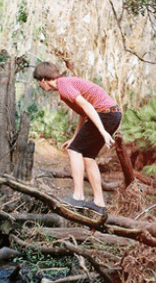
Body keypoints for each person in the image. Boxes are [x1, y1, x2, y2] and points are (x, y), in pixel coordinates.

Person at [33, 62, 122, 214]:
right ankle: (99, 203)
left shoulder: (64, 85)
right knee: (88, 157)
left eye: (38, 83)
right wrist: (74, 138)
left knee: (74, 151)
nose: (40, 86)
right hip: (112, 114)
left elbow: (87, 107)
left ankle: (78, 196)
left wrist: (102, 131)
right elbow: (83, 113)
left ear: (43, 80)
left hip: (105, 115)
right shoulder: (64, 87)